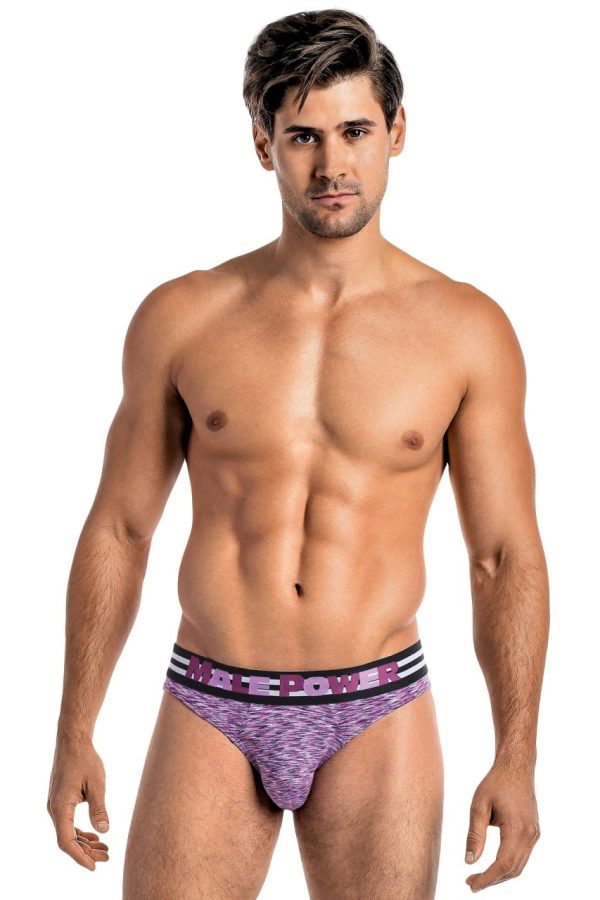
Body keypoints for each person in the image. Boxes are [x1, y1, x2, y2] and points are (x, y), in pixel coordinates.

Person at [46, 9, 549, 899]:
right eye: (303, 137)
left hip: (378, 705)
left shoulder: (466, 331)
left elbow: (503, 556)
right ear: (262, 144)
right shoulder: (183, 317)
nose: (332, 165)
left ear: (397, 130)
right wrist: (72, 729)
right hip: (210, 697)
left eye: (356, 131)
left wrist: (518, 754)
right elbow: (120, 529)